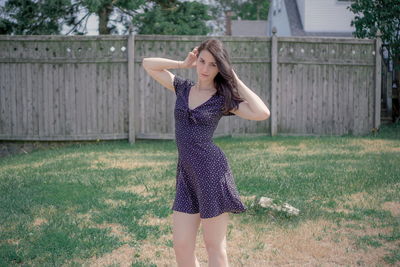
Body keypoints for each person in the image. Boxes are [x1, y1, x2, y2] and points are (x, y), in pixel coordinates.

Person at [142, 38, 270, 267]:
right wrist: (182, 64)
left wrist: (234, 78)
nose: (205, 69)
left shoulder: (223, 99)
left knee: (214, 247)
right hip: (186, 176)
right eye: (202, 61)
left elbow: (262, 113)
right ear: (196, 58)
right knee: (181, 246)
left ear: (220, 67)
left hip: (211, 172)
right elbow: (148, 64)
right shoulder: (181, 87)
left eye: (213, 64)